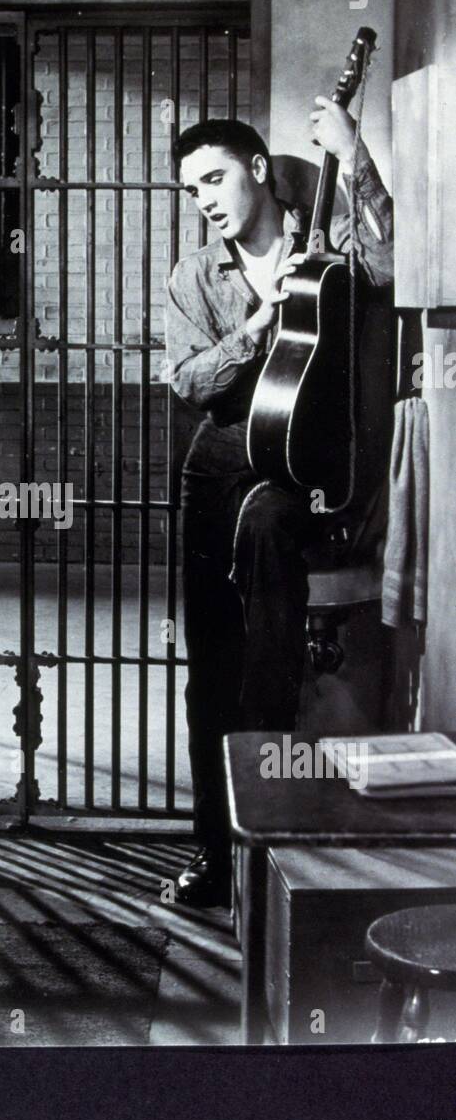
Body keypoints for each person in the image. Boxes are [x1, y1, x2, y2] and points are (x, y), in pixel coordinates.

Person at [166, 102, 394, 907]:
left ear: (258, 170)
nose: (206, 200)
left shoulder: (325, 242)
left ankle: (264, 837)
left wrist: (352, 152)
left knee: (266, 601)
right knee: (208, 665)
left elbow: (396, 263)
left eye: (216, 178)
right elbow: (187, 381)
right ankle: (210, 854)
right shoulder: (193, 274)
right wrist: (254, 328)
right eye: (193, 190)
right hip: (222, 449)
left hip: (303, 457)